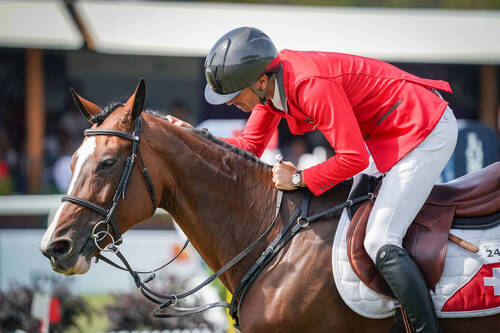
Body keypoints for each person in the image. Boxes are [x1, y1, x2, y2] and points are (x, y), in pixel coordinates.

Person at [172, 27, 457, 332]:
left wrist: (297, 178)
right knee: (350, 225)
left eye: (233, 94)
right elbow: (248, 147)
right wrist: (189, 137)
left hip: (424, 129)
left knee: (379, 240)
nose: (228, 103)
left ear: (260, 81)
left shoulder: (309, 85)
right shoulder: (270, 87)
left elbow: (353, 158)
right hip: (387, 137)